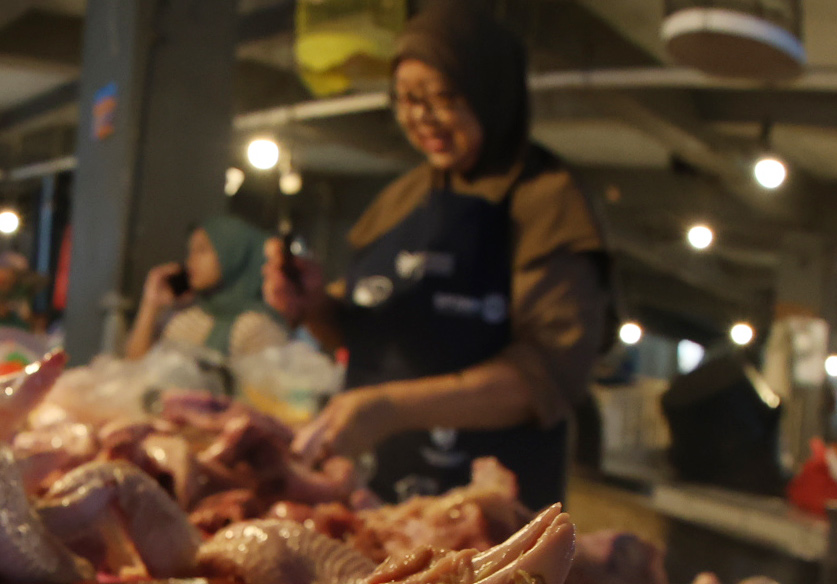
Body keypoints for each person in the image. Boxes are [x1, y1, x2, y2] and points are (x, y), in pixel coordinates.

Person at [262, 0, 610, 507]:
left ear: (491, 92)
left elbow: (549, 376)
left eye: (444, 97)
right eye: (405, 99)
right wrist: (313, 303)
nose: (421, 118)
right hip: (378, 499)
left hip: (485, 515)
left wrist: (391, 409)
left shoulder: (547, 200)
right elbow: (357, 331)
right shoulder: (402, 197)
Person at [126, 214, 287, 361]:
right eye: (190, 252)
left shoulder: (255, 327)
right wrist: (151, 304)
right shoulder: (183, 318)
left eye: (202, 250)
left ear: (234, 256)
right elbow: (135, 371)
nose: (190, 261)